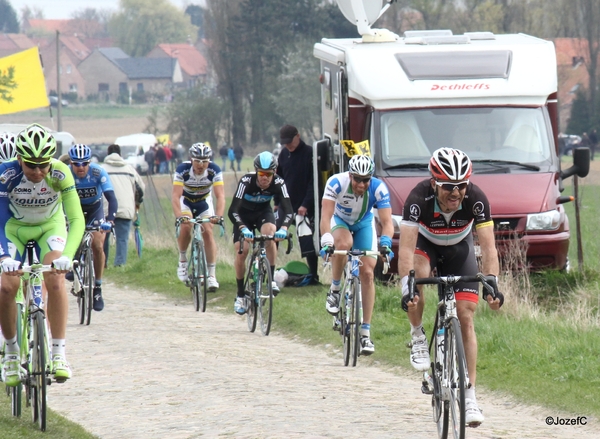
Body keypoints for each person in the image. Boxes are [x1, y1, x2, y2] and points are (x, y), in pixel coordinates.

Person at [398, 147, 504, 426]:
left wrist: (491, 283)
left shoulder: (476, 199)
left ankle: (469, 397)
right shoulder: (417, 198)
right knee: (418, 272)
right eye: (448, 187)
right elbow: (406, 250)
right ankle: (418, 334)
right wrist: (407, 286)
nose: (456, 193)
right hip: (426, 246)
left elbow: (489, 246)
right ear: (434, 183)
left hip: (460, 249)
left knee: (466, 316)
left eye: (461, 186)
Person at [0, 123, 85, 385]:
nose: (38, 171)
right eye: (31, 165)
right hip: (13, 228)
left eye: (43, 165)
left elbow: (76, 218)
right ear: (19, 159)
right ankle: (12, 352)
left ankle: (59, 352)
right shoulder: (6, 174)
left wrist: (67, 256)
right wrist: (4, 258)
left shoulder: (60, 174)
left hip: (49, 226)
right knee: (7, 285)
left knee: (56, 280)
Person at [319, 154, 394, 356]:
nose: (361, 184)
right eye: (357, 179)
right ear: (350, 176)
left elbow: (387, 223)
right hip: (340, 220)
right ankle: (335, 290)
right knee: (344, 244)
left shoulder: (378, 188)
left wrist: (385, 242)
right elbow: (325, 216)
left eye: (365, 180)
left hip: (364, 223)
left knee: (368, 273)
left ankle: (365, 334)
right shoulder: (336, 183)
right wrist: (326, 240)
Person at [228, 151, 293, 315]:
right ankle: (240, 295)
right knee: (242, 251)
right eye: (261, 174)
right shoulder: (246, 181)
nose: (265, 178)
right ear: (256, 171)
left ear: (274, 173)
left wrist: (284, 229)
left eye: (268, 174)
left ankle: (270, 280)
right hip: (243, 216)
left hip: (263, 213)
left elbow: (289, 211)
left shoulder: (278, 183)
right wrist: (243, 228)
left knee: (270, 234)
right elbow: (232, 210)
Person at [67, 144, 118, 311]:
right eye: (76, 164)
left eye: (84, 163)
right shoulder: (66, 173)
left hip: (95, 210)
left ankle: (97, 288)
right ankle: (73, 266)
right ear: (71, 163)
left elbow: (111, 198)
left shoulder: (98, 172)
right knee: (73, 239)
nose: (81, 167)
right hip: (75, 211)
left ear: (89, 162)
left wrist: (110, 220)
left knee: (97, 244)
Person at [172, 143, 225, 290]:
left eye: (205, 161)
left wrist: (218, 217)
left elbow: (220, 196)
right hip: (186, 201)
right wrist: (179, 217)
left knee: (208, 231)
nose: (201, 165)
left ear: (209, 160)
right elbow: (176, 197)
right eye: (197, 161)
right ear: (191, 159)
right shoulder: (182, 170)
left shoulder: (215, 170)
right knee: (186, 225)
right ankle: (182, 259)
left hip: (204, 202)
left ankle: (212, 275)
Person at [275, 124, 319, 284]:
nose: (288, 145)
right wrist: (276, 202)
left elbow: (313, 182)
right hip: (285, 204)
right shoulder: (283, 154)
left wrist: (306, 204)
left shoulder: (309, 153)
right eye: (285, 142)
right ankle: (269, 271)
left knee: (306, 239)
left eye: (290, 141)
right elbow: (278, 180)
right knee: (274, 234)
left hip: (303, 207)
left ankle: (313, 275)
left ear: (298, 136)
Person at [102, 144, 145, 267]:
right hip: (126, 208)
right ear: (120, 154)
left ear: (107, 154)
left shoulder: (101, 169)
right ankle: (120, 264)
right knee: (122, 239)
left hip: (106, 209)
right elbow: (140, 189)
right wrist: (137, 203)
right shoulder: (129, 169)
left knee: (103, 238)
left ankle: (102, 263)